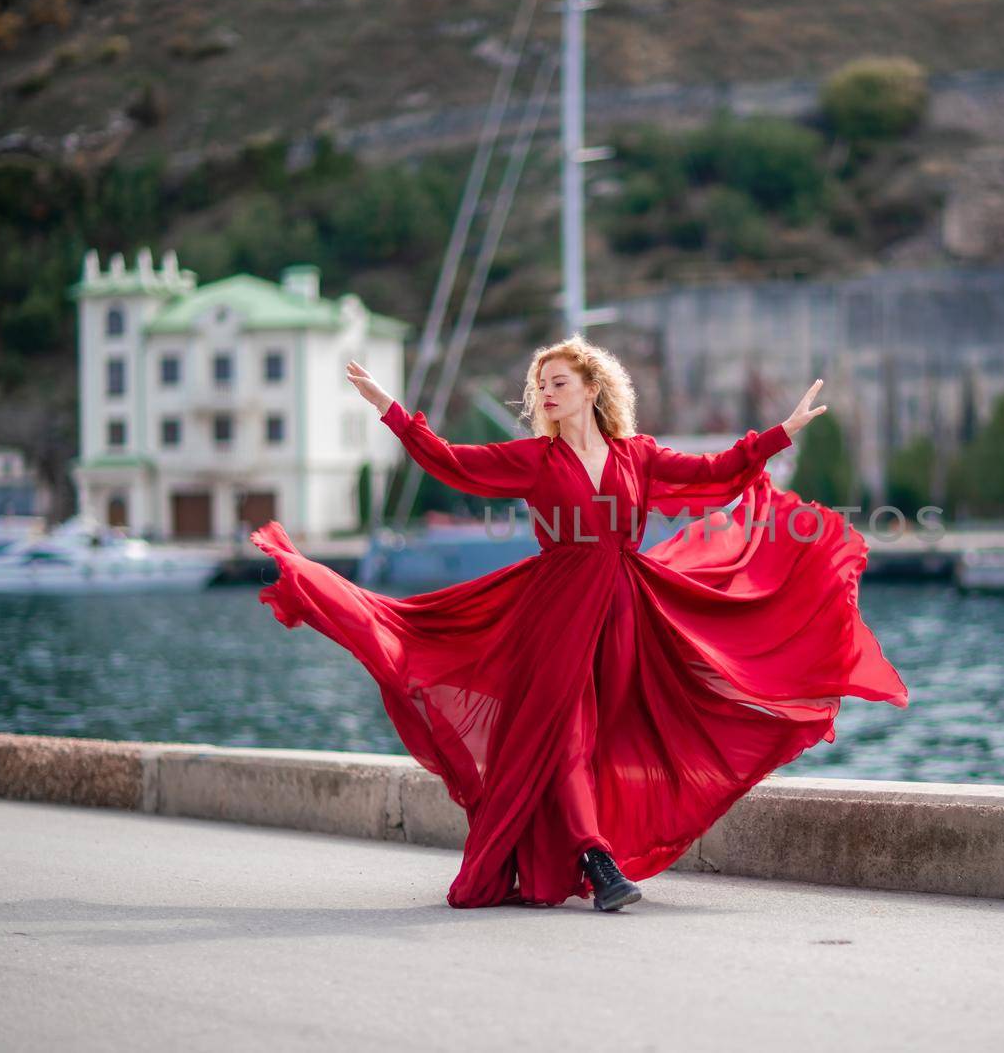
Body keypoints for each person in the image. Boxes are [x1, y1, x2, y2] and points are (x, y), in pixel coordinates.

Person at [249, 336, 910, 912]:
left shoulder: (638, 456)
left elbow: (716, 473)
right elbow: (449, 461)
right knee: (565, 730)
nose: (546, 391)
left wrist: (781, 433)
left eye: (559, 381)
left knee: (599, 736)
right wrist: (390, 410)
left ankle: (579, 858)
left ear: (593, 387)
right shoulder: (535, 459)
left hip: (626, 606)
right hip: (554, 610)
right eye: (540, 385)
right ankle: (597, 860)